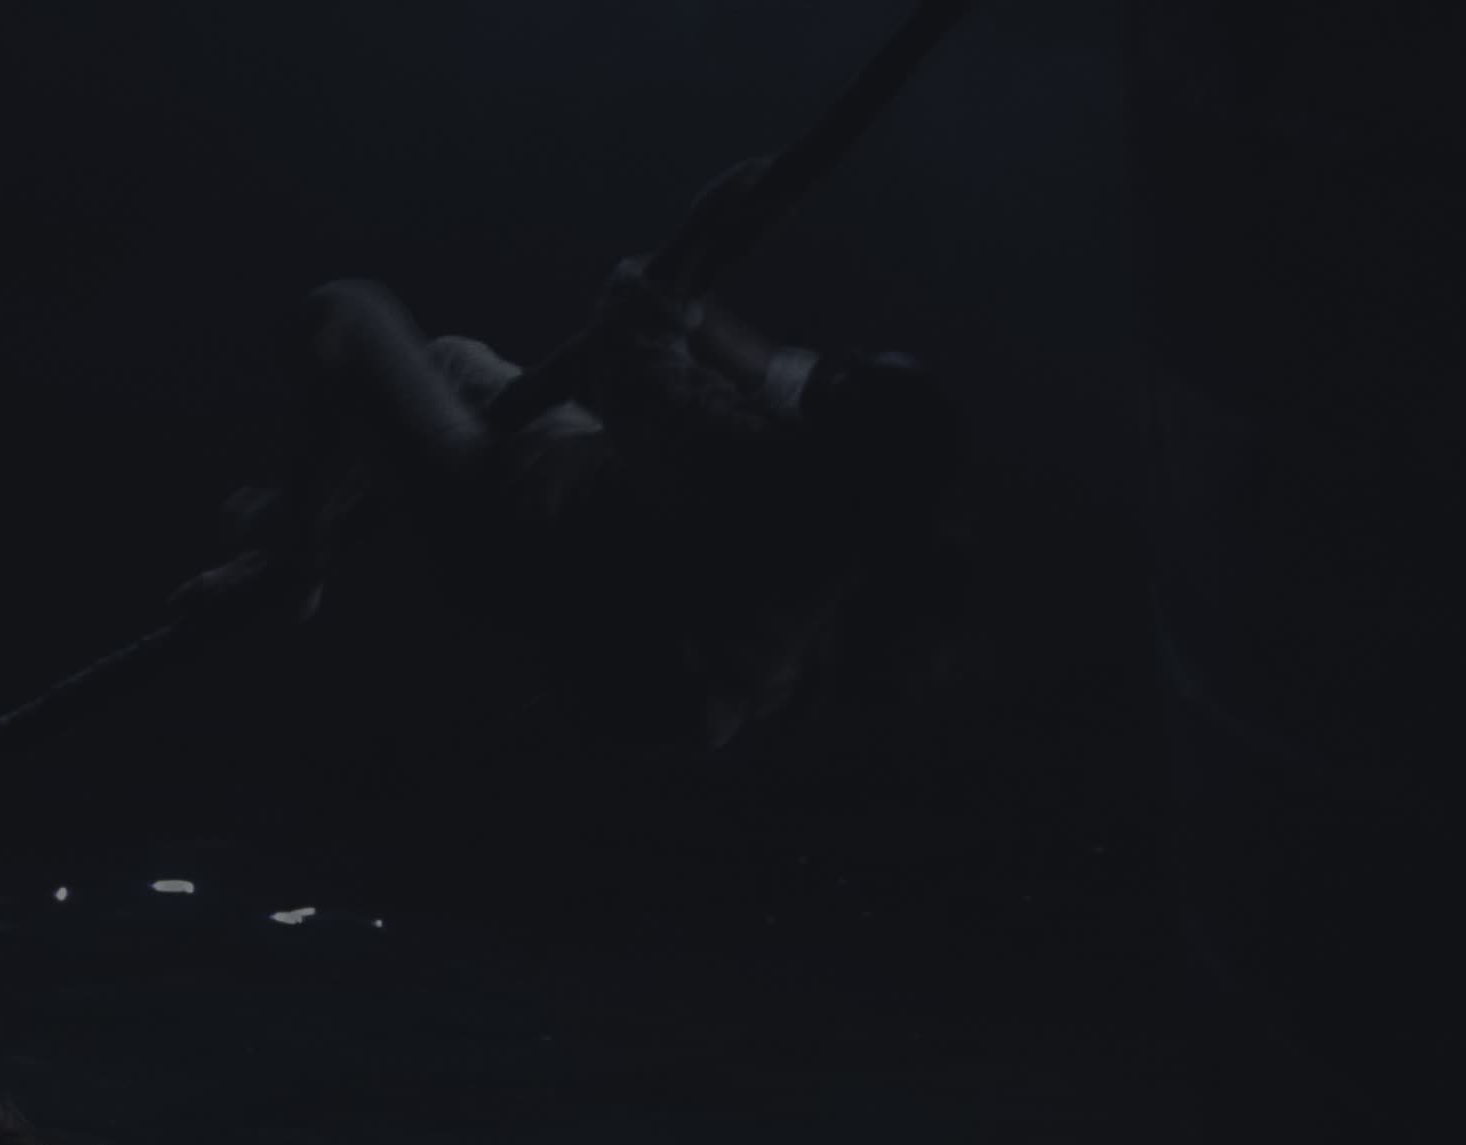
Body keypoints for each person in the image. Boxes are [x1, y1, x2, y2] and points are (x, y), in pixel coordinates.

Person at [175, 165, 964, 754]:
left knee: (340, 315)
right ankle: (308, 518)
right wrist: (757, 200)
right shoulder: (850, 477)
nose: (837, 362)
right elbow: (769, 367)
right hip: (584, 492)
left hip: (524, 532)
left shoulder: (755, 472)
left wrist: (698, 240)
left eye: (852, 374)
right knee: (450, 359)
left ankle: (296, 553)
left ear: (846, 431)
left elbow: (628, 336)